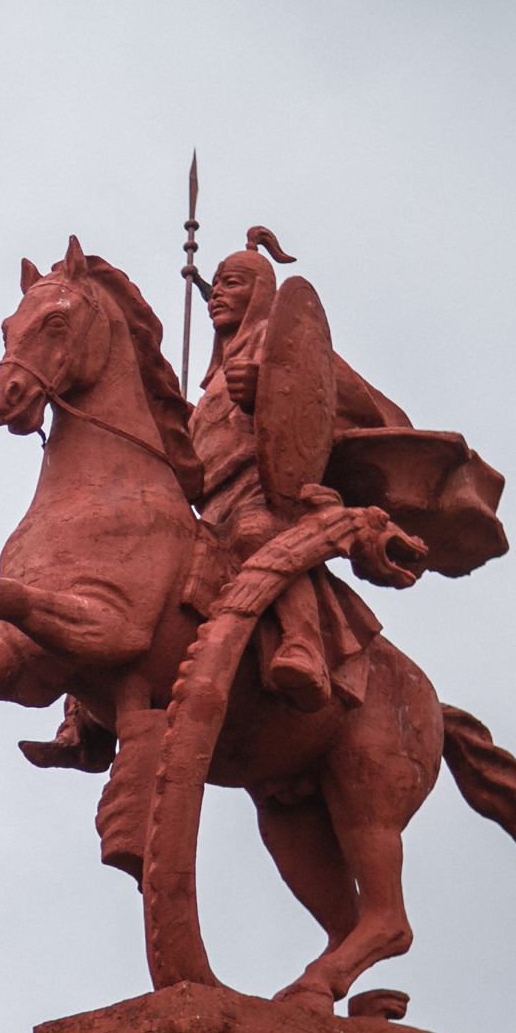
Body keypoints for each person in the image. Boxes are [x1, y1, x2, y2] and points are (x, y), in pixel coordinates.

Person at [188, 228, 412, 712]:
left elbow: (332, 403)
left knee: (256, 531)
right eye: (217, 284)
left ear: (262, 292)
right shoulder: (209, 387)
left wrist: (268, 387)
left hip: (268, 498)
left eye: (233, 283)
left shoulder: (284, 347)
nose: (218, 295)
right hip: (210, 509)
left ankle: (303, 645)